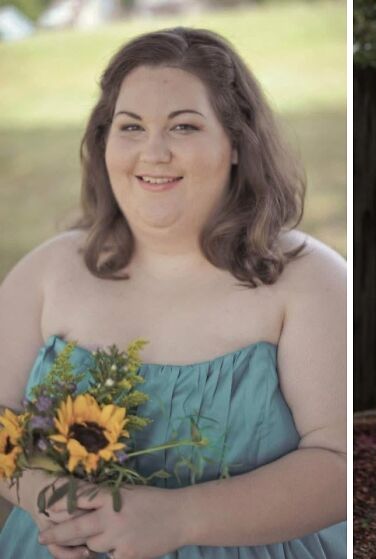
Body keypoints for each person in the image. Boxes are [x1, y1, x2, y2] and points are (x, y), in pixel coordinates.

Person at [0, 27, 346, 559]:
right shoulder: (47, 272)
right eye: (131, 126)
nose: (153, 152)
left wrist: (180, 517)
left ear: (236, 144)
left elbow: (339, 462)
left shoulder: (308, 282)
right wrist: (50, 499)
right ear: (104, 141)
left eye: (183, 126)